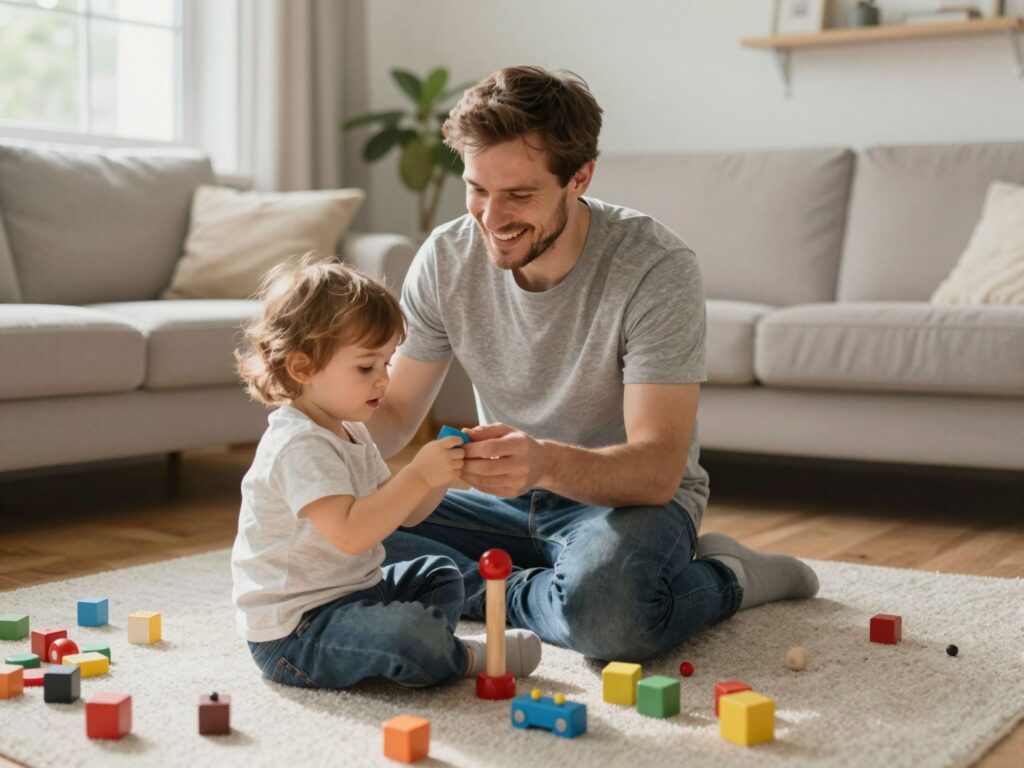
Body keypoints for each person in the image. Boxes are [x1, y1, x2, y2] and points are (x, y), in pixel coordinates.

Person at [368, 66, 819, 662]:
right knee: (333, 535)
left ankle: (730, 575)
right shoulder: (447, 256)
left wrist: (543, 461)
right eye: (478, 189)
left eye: (520, 195)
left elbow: (659, 468)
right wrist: (304, 444)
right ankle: (545, 594)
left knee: (609, 620)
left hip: (627, 506)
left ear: (579, 177)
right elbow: (397, 411)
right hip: (498, 502)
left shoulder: (655, 267)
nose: (492, 219)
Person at [230, 253, 542, 688]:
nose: (382, 381)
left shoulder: (351, 431)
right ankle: (461, 655)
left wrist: (445, 469)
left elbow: (408, 515)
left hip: (356, 592)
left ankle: (419, 649)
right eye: (365, 367)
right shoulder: (297, 444)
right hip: (295, 632)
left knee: (440, 574)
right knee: (408, 636)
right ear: (302, 367)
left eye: (386, 363)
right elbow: (352, 533)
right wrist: (417, 473)